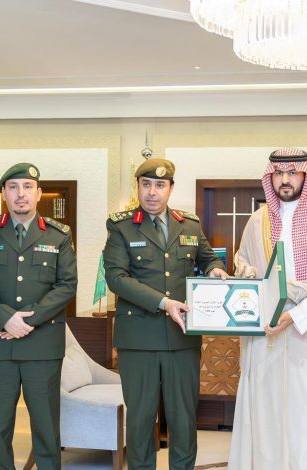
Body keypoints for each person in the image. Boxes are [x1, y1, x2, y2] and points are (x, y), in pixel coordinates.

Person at [228, 147, 307, 470]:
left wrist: (294, 316)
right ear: (270, 177)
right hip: (266, 332)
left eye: (292, 172)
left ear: (305, 175)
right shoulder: (258, 221)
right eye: (279, 173)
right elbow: (244, 266)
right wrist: (251, 281)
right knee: (265, 414)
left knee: (306, 417)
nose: (285, 179)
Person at [103, 158, 228, 470]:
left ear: (170, 188)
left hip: (182, 338)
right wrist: (163, 302)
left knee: (183, 418)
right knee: (141, 419)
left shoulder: (190, 225)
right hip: (138, 340)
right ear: (138, 187)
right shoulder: (120, 226)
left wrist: (215, 270)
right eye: (146, 184)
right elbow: (116, 278)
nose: (152, 192)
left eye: (160, 185)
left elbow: (208, 258)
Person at [0, 162, 77, 470]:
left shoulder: (58, 235)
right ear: (3, 193)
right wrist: (5, 318)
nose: (21, 194)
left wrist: (27, 320)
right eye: (13, 187)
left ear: (39, 193)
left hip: (42, 345)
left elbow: (67, 285)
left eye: (28, 187)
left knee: (46, 427)